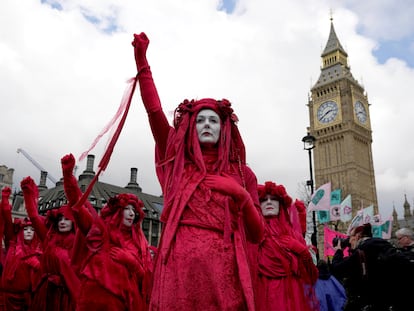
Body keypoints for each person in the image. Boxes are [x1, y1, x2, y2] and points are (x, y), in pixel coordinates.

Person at [132, 32, 264, 310]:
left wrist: (240, 195)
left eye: (213, 120)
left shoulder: (243, 174)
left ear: (223, 127)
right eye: (200, 119)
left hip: (224, 271)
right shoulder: (179, 163)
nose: (206, 124)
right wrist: (142, 64)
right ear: (190, 126)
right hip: (178, 267)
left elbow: (257, 234)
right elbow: (154, 112)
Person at [60, 153, 151, 311]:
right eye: (127, 209)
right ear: (117, 211)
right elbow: (77, 205)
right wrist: (68, 176)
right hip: (92, 302)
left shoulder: (139, 242)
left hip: (124, 304)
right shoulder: (99, 232)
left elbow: (147, 279)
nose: (131, 214)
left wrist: (132, 263)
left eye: (134, 211)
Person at [256, 181, 319, 311]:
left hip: (294, 297)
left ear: (281, 205)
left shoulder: (293, 235)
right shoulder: (254, 234)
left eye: (273, 199)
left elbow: (311, 277)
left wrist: (302, 251)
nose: (269, 202)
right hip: (264, 296)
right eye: (264, 199)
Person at [20, 176, 80, 311]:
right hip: (46, 294)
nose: (63, 222)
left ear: (73, 222)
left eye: (67, 219)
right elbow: (34, 217)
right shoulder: (49, 238)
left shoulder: (78, 243)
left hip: (67, 296)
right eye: (60, 219)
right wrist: (27, 193)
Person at [331, 223, 395, 311]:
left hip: (367, 302)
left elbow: (337, 269)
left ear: (357, 236)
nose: (349, 241)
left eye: (350, 237)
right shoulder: (385, 245)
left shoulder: (362, 251)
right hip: (387, 302)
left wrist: (338, 251)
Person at [1, 186, 42, 311]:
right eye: (25, 229)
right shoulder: (12, 244)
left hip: (27, 300)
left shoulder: (39, 251)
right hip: (6, 298)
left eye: (32, 229)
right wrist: (5, 202)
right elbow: (8, 222)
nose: (29, 232)